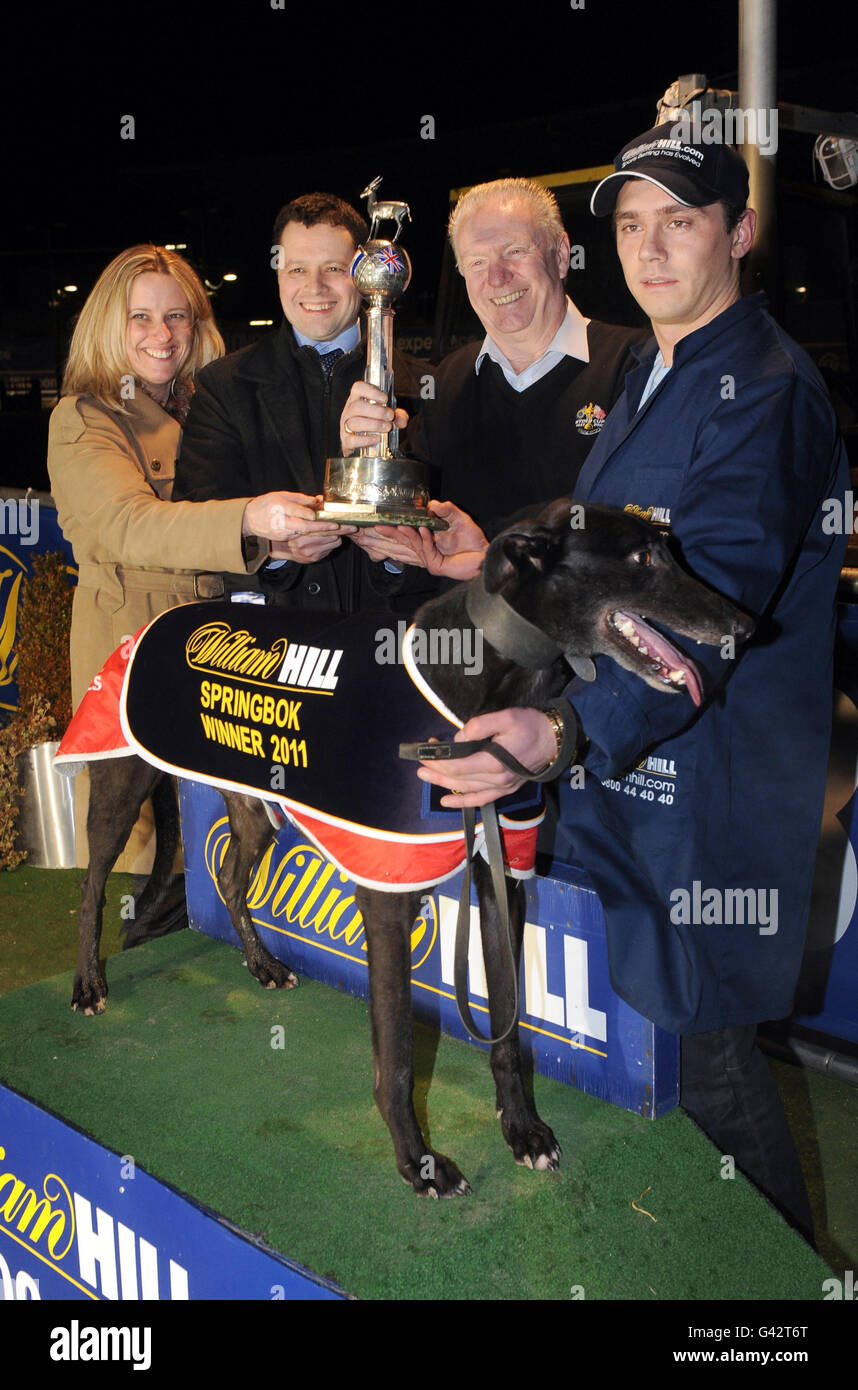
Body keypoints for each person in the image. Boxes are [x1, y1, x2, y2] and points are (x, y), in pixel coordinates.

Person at [414, 125, 850, 1244]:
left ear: (740, 233)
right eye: (631, 226)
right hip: (626, 788)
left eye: (683, 222)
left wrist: (558, 734)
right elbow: (597, 573)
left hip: (705, 795)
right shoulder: (653, 372)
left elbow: (705, 626)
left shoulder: (762, 392)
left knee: (709, 1069)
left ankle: (782, 1301)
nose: (651, 250)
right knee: (652, 1068)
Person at [48, 243, 330, 875]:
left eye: (178, 316)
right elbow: (129, 526)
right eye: (140, 317)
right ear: (106, 326)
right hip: (131, 650)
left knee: (208, 849)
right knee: (141, 853)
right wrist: (250, 518)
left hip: (209, 641)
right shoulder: (84, 418)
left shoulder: (201, 409)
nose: (162, 334)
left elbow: (210, 527)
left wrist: (276, 544)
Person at [337, 176, 646, 565]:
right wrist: (366, 464)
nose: (497, 278)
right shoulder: (446, 383)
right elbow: (414, 564)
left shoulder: (637, 366)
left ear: (562, 253)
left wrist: (491, 555)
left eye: (515, 251)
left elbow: (637, 535)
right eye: (477, 262)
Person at [173, 192, 427, 613]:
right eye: (297, 269)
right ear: (277, 275)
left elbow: (445, 532)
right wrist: (270, 555)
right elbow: (197, 525)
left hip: (384, 646)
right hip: (270, 647)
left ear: (365, 275)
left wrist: (398, 563)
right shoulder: (224, 386)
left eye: (334, 268)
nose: (315, 287)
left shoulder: (420, 386)